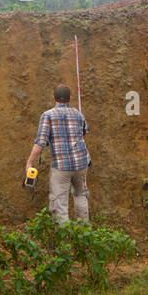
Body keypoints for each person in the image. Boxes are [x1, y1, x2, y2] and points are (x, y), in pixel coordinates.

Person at [25, 84, 89, 223]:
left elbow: (41, 142)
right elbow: (84, 132)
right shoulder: (78, 114)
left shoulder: (47, 115)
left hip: (61, 167)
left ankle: (64, 240)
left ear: (54, 99)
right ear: (70, 98)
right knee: (81, 196)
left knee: (60, 203)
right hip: (81, 164)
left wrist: (30, 162)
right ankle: (84, 235)